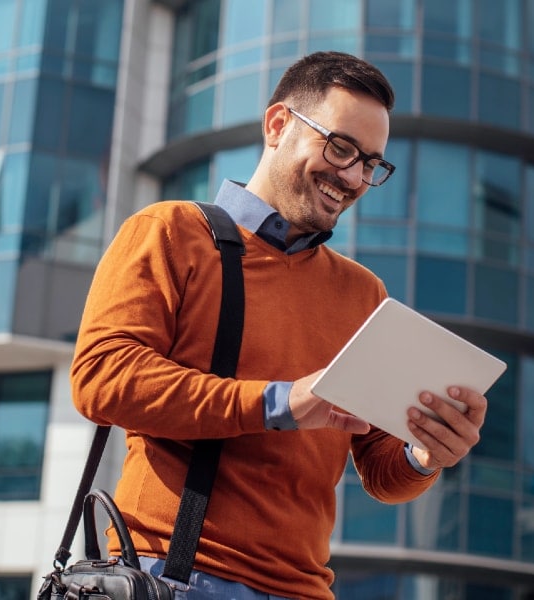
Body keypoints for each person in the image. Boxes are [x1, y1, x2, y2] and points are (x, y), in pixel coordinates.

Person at [70, 51, 488, 600]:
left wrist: (425, 454)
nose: (354, 177)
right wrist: (280, 402)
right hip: (175, 574)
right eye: (341, 148)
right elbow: (102, 379)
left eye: (371, 164)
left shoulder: (363, 293)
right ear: (277, 125)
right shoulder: (170, 232)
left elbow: (381, 474)